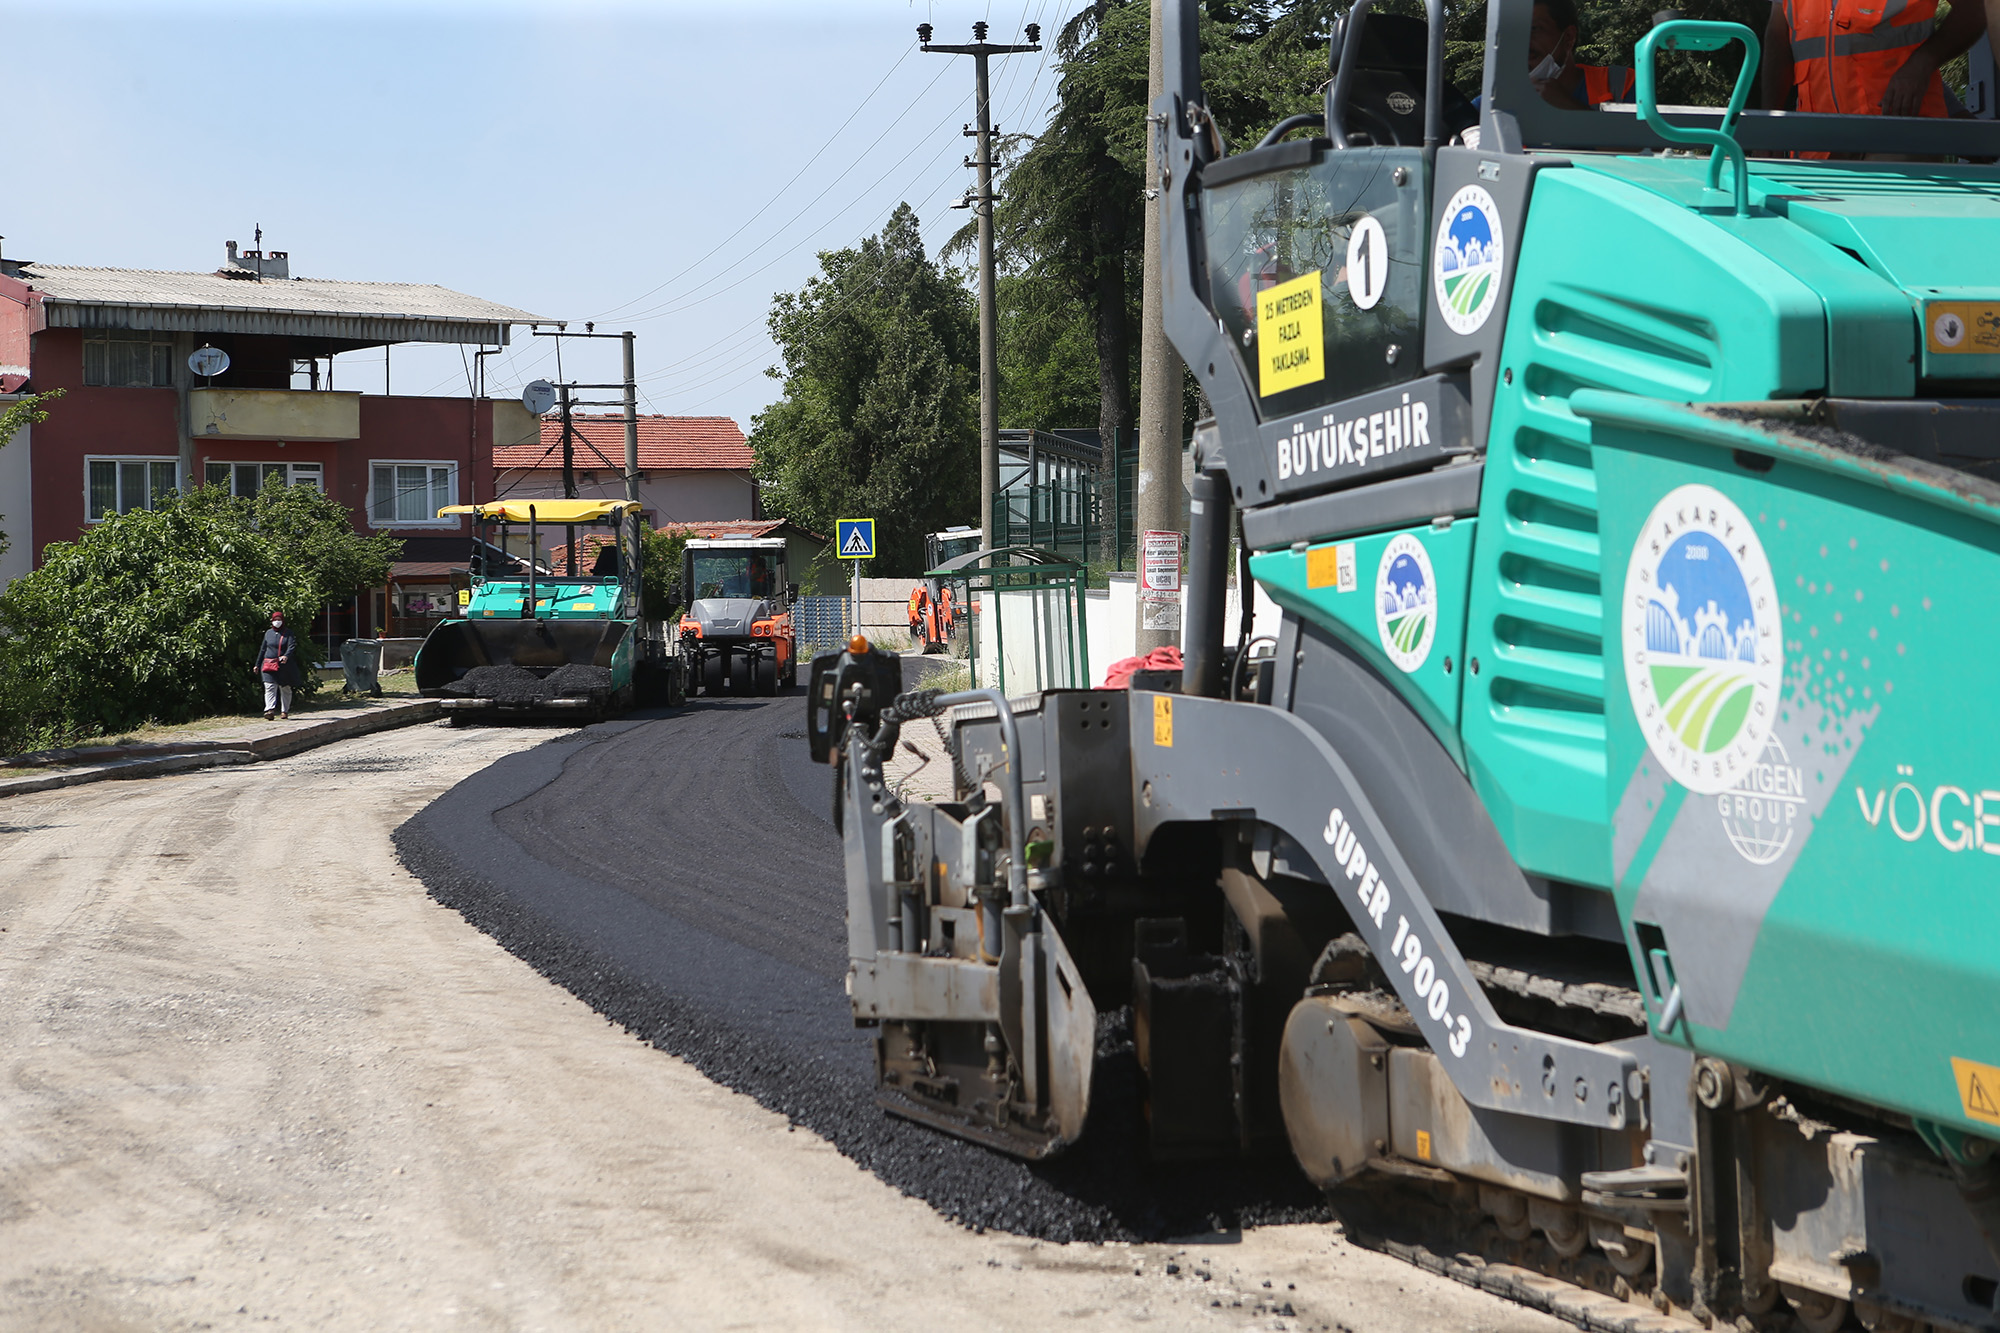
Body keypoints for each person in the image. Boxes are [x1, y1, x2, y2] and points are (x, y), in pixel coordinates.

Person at [1764, 0, 1986, 119]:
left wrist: (1923, 62)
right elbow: (1778, 39)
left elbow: (1975, 11)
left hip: (1899, 129)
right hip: (1818, 141)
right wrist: (1769, 123)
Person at [1528, 0, 1635, 110]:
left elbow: (1639, 127)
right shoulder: (1512, 95)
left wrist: (1570, 107)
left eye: (1534, 29)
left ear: (1568, 38)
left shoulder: (1619, 82)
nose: (1525, 41)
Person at [257, 610, 301, 721]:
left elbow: (292, 646)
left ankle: (284, 711)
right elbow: (263, 649)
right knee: (269, 686)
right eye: (275, 620)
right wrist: (257, 664)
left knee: (285, 688)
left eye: (279, 620)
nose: (277, 622)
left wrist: (286, 656)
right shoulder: (268, 633)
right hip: (268, 665)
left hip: (283, 666)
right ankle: (269, 710)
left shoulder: (288, 633)